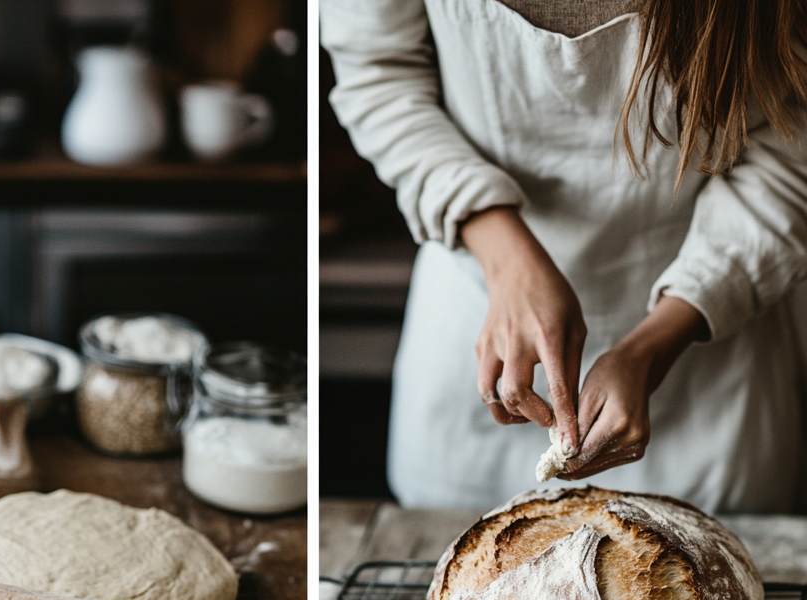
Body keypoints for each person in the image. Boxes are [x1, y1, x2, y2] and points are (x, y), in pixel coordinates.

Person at [321, 0, 807, 512]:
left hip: (713, 357)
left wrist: (650, 347)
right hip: (471, 325)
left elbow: (791, 141)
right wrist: (506, 259)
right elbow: (379, 77)